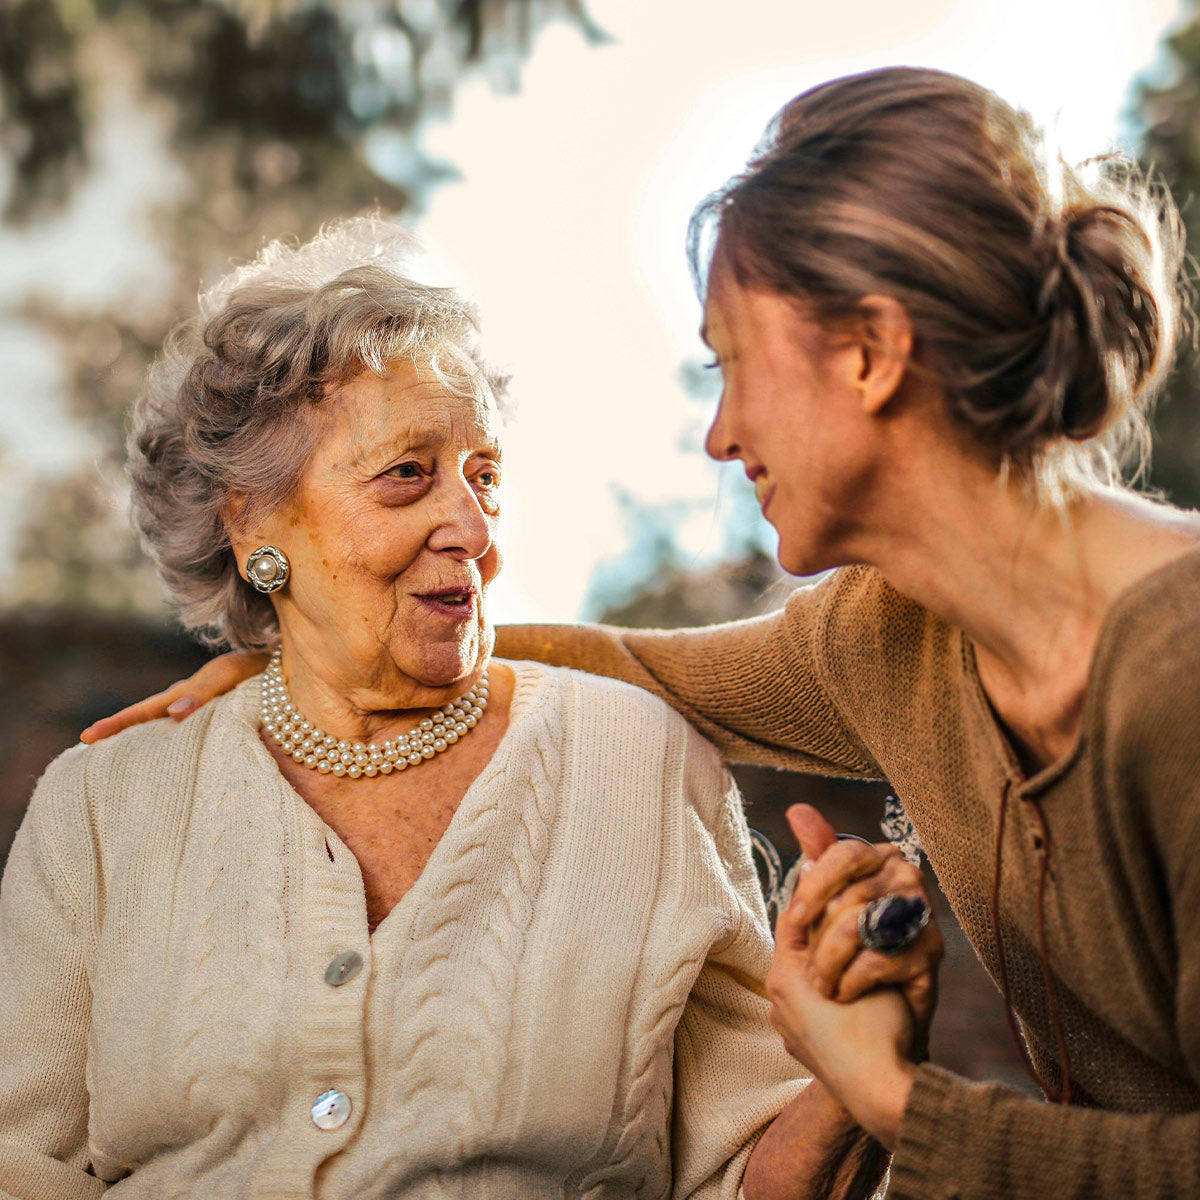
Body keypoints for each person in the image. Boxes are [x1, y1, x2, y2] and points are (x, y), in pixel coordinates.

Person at [97, 67, 1200, 1199]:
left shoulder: (1178, 668)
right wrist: (315, 640)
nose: (720, 435)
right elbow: (634, 665)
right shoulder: (890, 639)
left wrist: (894, 1103)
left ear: (869, 352)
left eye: (732, 364)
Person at [0, 218, 893, 1199]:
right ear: (253, 519)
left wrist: (854, 1082)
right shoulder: (102, 807)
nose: (471, 529)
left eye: (486, 477)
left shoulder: (642, 764)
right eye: (407, 475)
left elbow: (744, 1178)